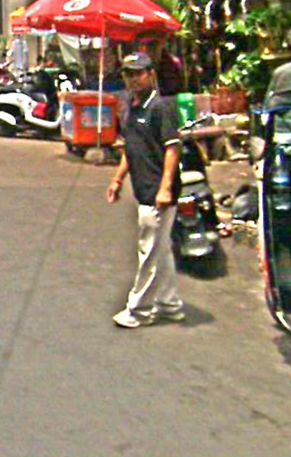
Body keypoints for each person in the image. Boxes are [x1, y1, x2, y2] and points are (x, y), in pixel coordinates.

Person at [106, 52, 185, 328]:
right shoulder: (133, 107)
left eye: (138, 74)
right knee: (160, 250)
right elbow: (132, 149)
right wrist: (117, 180)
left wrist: (165, 189)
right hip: (144, 189)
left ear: (151, 75)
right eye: (128, 74)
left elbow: (173, 149)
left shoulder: (161, 108)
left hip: (158, 194)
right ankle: (170, 304)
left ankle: (138, 310)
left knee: (149, 253)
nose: (133, 80)